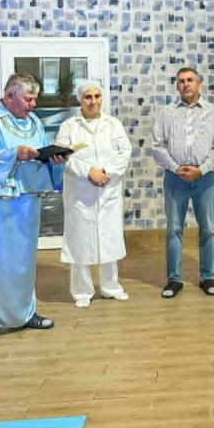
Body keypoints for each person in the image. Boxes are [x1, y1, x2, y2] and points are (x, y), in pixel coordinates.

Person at [0, 73, 66, 348]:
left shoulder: (33, 122)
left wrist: (53, 160)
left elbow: (40, 156)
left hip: (26, 200)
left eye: (35, 99)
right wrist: (13, 154)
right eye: (28, 99)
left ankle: (25, 312)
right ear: (9, 96)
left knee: (23, 259)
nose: (33, 105)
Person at [55, 80, 132, 308]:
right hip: (81, 192)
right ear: (80, 100)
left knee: (109, 238)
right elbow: (63, 157)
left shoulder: (113, 124)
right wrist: (89, 172)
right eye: (88, 97)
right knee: (80, 240)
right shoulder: (69, 126)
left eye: (97, 96)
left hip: (108, 190)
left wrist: (106, 172)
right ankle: (82, 291)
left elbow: (124, 152)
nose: (93, 102)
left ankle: (111, 287)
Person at [152, 67, 214, 298]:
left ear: (199, 84)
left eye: (190, 80)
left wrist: (201, 170)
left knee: (207, 230)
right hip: (175, 179)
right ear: (177, 86)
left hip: (204, 179)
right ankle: (174, 279)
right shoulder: (166, 113)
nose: (186, 84)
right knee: (174, 229)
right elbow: (156, 146)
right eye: (181, 81)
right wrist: (176, 168)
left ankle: (207, 276)